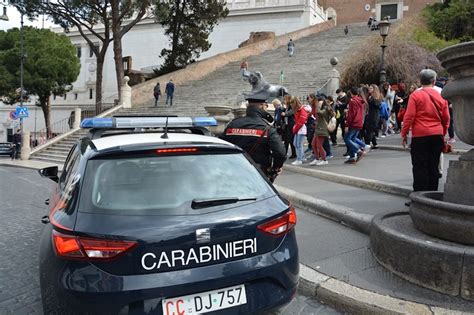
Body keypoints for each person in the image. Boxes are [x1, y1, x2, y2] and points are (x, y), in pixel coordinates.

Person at [401, 69, 450, 195]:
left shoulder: (415, 95)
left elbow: (409, 116)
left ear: (420, 81)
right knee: (433, 165)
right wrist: (443, 132)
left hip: (420, 135)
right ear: (434, 81)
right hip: (437, 134)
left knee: (419, 166)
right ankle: (432, 195)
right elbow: (446, 118)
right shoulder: (441, 96)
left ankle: (419, 195)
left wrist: (404, 134)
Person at [221, 91, 286, 182]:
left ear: (248, 106)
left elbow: (222, 145)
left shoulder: (232, 124)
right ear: (262, 106)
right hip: (258, 175)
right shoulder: (267, 129)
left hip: (234, 172)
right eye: (266, 106)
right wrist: (275, 168)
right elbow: (280, 153)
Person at [344, 87, 368, 164]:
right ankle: (352, 157)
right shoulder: (361, 100)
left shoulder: (352, 101)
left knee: (347, 139)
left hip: (353, 122)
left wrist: (347, 125)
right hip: (359, 122)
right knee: (353, 139)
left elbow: (351, 115)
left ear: (351, 93)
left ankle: (359, 151)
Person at [309, 94, 333, 166]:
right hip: (318, 128)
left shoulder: (325, 108)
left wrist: (318, 106)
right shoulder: (320, 107)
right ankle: (317, 158)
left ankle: (324, 159)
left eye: (319, 101)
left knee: (319, 145)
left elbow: (319, 112)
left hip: (322, 129)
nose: (318, 103)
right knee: (313, 144)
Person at [289, 96, 308, 165]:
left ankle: (299, 159)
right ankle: (302, 157)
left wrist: (295, 129)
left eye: (292, 103)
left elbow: (301, 122)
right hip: (299, 129)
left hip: (301, 129)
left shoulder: (301, 110)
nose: (291, 104)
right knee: (296, 144)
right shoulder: (299, 109)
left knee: (298, 145)